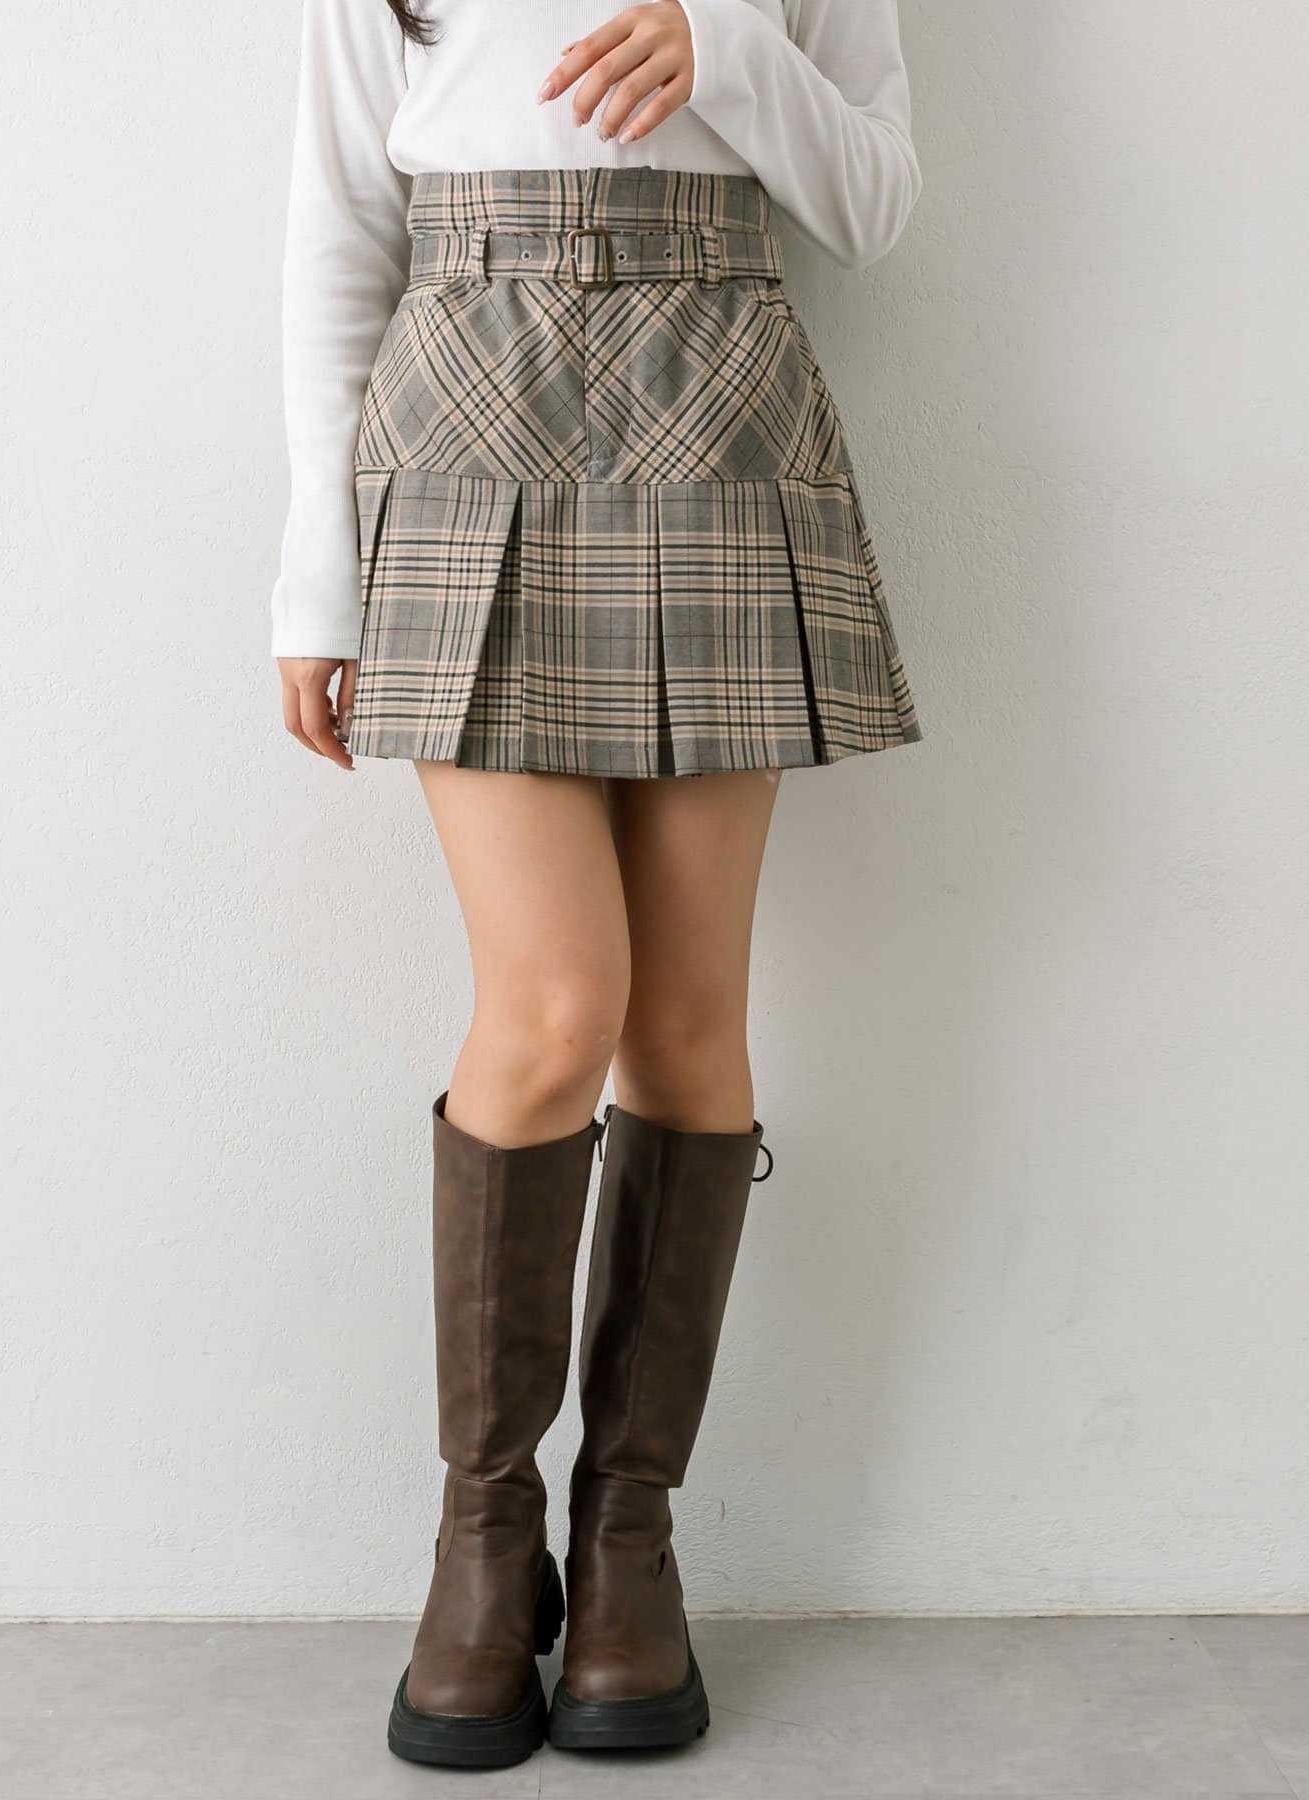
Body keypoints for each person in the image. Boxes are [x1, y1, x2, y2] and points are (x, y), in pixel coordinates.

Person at [271, 0, 924, 1770]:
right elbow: (340, 227)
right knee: (557, 1011)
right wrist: (315, 574)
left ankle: (629, 1536)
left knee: (690, 1026)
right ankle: (484, 1540)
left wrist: (727, 50)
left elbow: (874, 200)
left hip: (720, 395)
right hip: (463, 402)